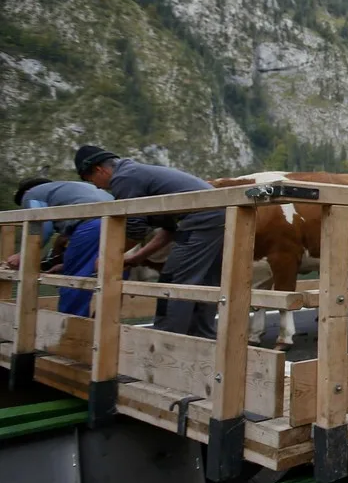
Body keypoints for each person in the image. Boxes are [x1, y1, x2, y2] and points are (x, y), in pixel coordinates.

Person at [74, 145, 225, 338]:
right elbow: (169, 231)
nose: (95, 186)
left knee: (173, 281)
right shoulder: (139, 176)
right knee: (205, 282)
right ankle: (204, 340)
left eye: (91, 180)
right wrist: (136, 257)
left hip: (203, 218)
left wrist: (109, 257)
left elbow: (134, 230)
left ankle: (164, 342)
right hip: (218, 216)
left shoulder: (123, 179)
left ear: (99, 170)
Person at [6, 178, 113, 316]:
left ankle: (71, 331)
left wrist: (22, 255)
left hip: (92, 223)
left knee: (74, 280)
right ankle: (104, 327)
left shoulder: (31, 194)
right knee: (112, 276)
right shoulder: (75, 188)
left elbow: (43, 226)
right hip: (119, 225)